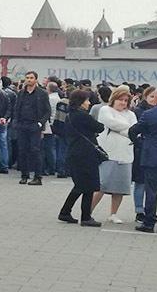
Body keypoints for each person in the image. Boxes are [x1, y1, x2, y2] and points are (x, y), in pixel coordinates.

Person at [58, 90, 104, 227]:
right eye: (86, 100)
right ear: (80, 102)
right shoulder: (83, 116)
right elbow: (99, 127)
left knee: (80, 185)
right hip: (86, 154)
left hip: (75, 152)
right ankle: (85, 217)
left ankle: (65, 212)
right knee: (88, 186)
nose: (89, 103)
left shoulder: (70, 115)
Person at [91, 88, 137, 224]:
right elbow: (111, 123)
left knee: (120, 188)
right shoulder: (105, 110)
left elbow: (134, 129)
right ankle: (88, 211)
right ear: (113, 99)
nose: (123, 103)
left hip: (125, 154)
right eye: (120, 100)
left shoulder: (131, 114)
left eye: (125, 100)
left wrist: (127, 129)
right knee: (101, 185)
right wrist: (128, 128)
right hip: (108, 154)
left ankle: (113, 213)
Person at [130, 89, 157, 233]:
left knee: (151, 191)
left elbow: (133, 131)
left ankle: (149, 223)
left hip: (152, 157)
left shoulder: (149, 115)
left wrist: (140, 143)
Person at [14, 71, 51, 185]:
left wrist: (40, 123)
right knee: (22, 150)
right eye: (27, 78)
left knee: (35, 151)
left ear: (36, 79)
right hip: (22, 125)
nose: (29, 80)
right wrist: (16, 121)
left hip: (35, 125)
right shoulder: (21, 93)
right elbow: (16, 108)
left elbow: (47, 111)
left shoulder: (42, 94)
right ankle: (24, 175)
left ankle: (37, 177)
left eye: (31, 78)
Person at [41, 82, 61, 176]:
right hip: (54, 125)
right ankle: (52, 166)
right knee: (52, 147)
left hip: (49, 125)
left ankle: (49, 167)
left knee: (48, 147)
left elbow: (48, 111)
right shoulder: (57, 98)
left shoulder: (50, 98)